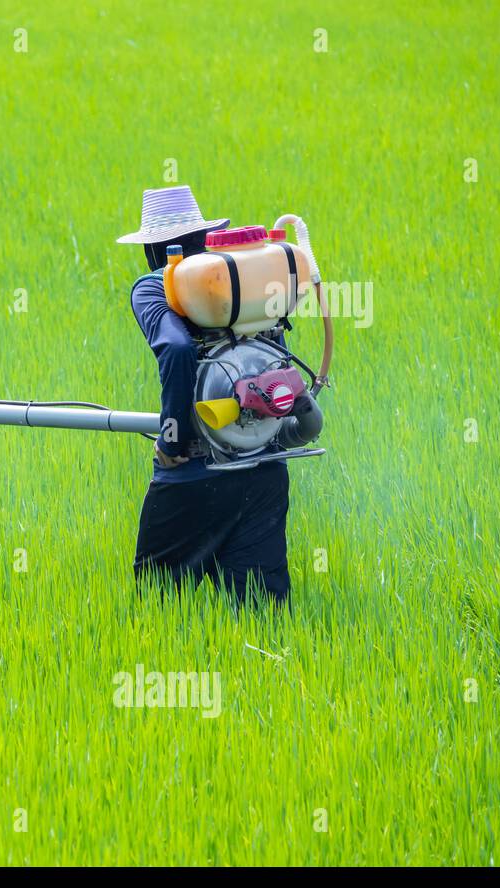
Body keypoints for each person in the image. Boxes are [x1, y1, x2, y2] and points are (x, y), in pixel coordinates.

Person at [116, 185, 290, 606]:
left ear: (154, 250)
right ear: (206, 236)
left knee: (157, 606)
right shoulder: (244, 274)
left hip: (196, 472)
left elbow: (176, 350)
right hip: (264, 465)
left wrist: (171, 440)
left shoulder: (154, 284)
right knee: (260, 611)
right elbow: (276, 352)